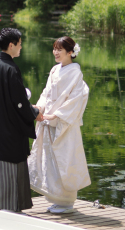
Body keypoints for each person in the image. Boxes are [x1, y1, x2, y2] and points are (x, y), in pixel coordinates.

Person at [28, 36, 91, 214]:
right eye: (54, 49)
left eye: (59, 50)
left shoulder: (75, 73)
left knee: (65, 159)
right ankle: (56, 198)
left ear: (70, 52)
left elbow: (75, 99)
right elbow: (46, 93)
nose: (55, 52)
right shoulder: (55, 69)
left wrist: (55, 115)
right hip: (48, 120)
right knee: (50, 159)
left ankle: (67, 202)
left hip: (64, 123)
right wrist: (39, 108)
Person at [0, 28, 42, 212]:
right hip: (10, 130)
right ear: (11, 45)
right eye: (20, 43)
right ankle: (11, 208)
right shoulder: (11, 68)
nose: (21, 47)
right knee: (11, 164)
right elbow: (20, 103)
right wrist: (34, 112)